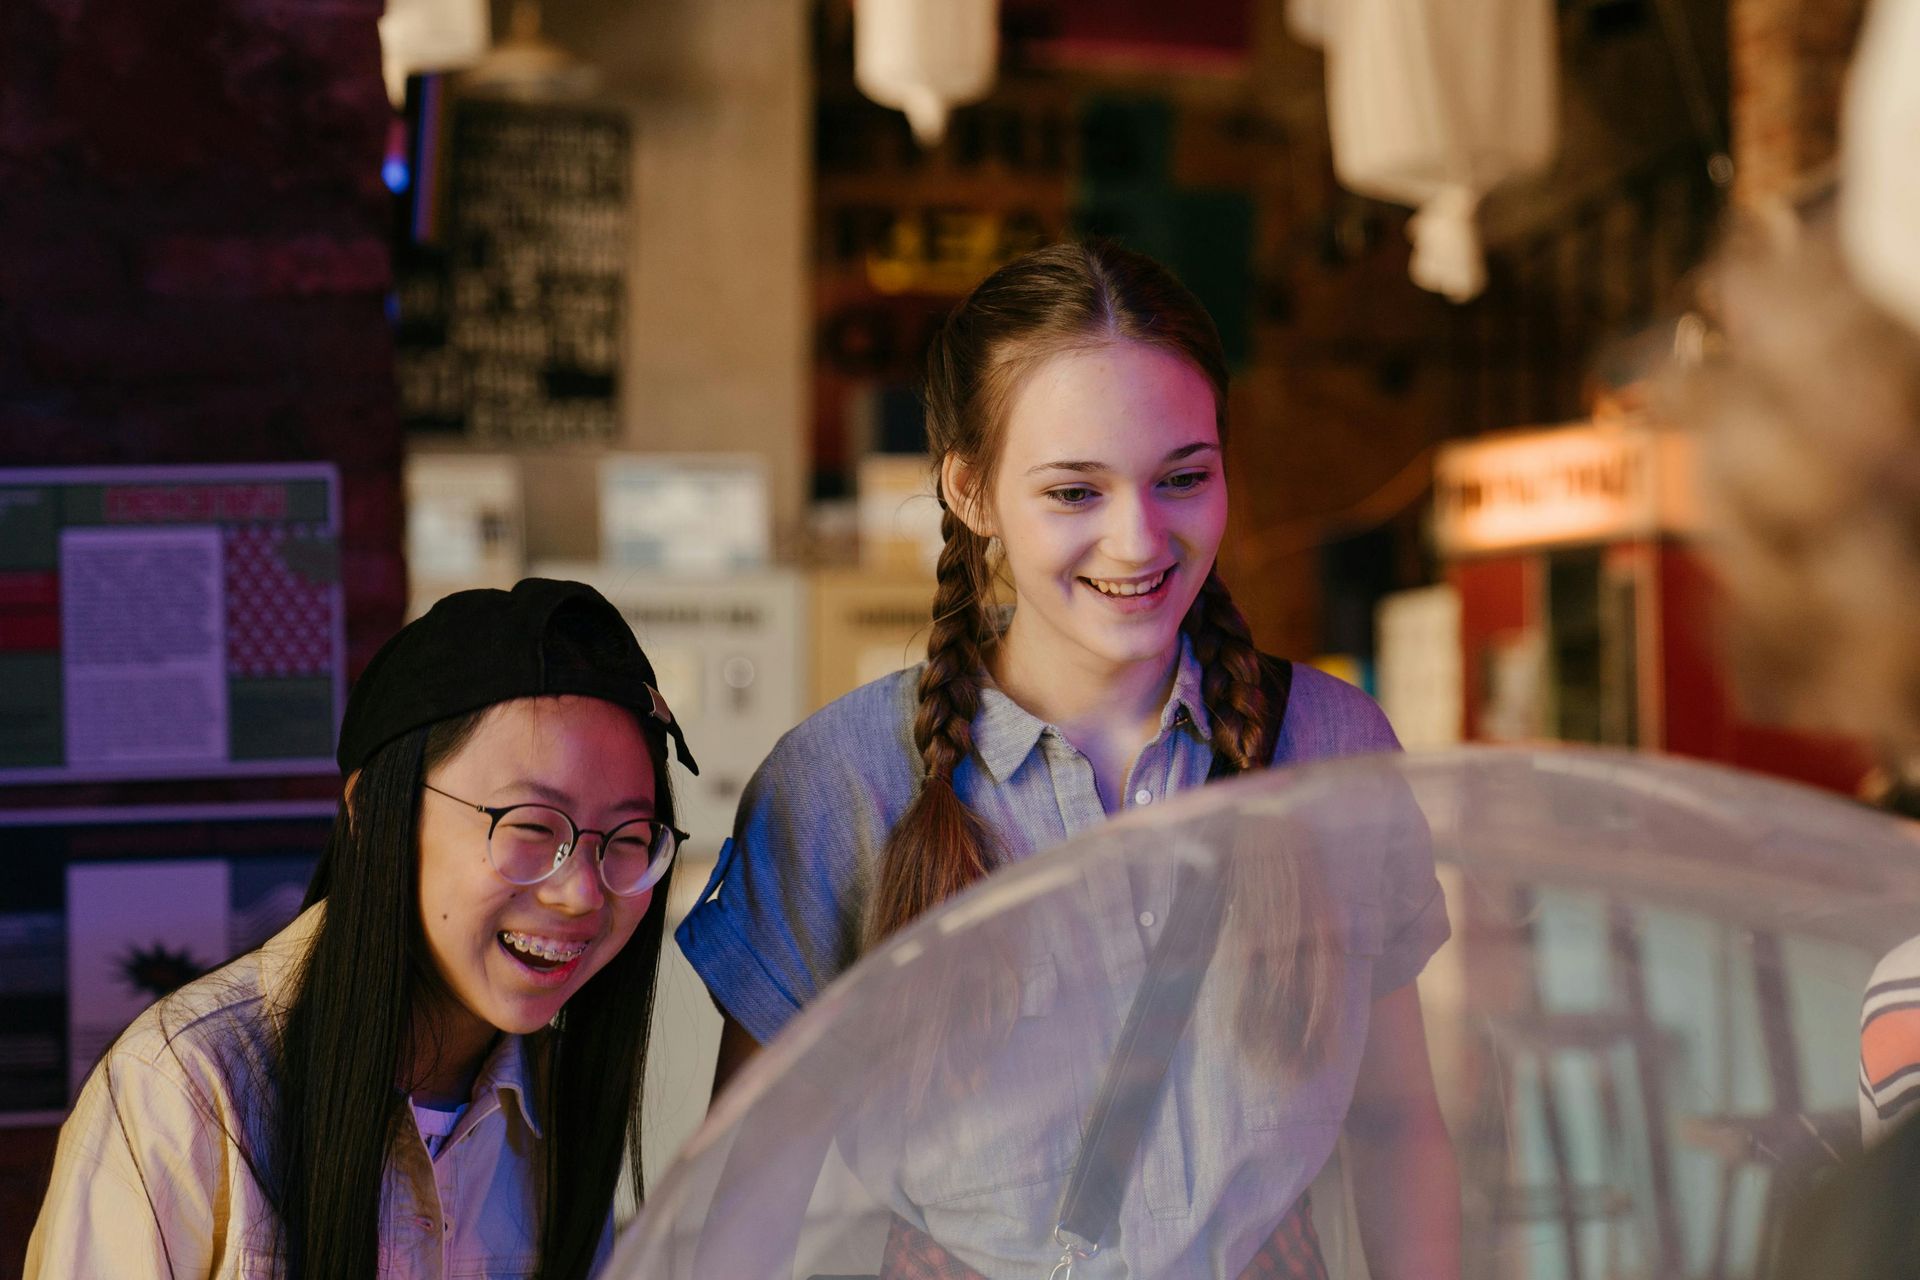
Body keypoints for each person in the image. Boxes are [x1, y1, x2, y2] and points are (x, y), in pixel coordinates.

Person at [677, 241, 1460, 1278]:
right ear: (971, 490)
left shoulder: (1330, 745)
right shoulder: (841, 780)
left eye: (1183, 477)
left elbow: (1397, 1128)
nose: (1138, 539)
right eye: (1073, 492)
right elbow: (749, 1195)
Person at [26, 578, 700, 1279]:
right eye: (531, 826)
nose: (581, 892)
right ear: (375, 813)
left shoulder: (559, 1108)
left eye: (628, 837)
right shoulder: (186, 1088)